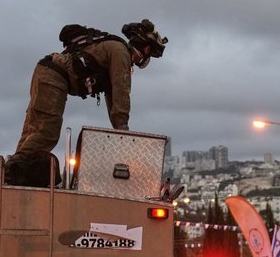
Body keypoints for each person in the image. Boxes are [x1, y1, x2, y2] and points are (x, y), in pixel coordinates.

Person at [9, 20, 168, 165]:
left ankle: (14, 174)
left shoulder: (114, 48)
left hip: (46, 71)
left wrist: (120, 129)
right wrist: (123, 131)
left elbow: (113, 98)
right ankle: (13, 168)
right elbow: (121, 90)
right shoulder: (121, 53)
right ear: (146, 48)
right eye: (150, 54)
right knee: (47, 132)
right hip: (54, 77)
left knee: (34, 128)